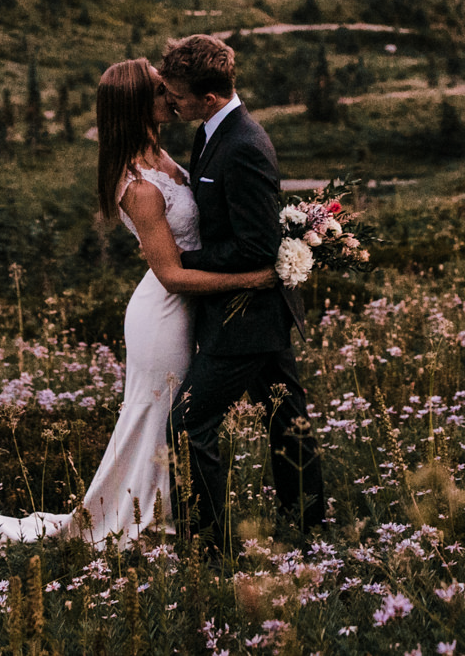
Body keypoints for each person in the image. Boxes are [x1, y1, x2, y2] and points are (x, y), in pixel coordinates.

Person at [0, 58, 275, 552]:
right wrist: (255, 275)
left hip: (185, 304)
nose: (171, 93)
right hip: (166, 310)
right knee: (158, 415)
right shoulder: (140, 187)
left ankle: (164, 517)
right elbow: (170, 275)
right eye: (159, 89)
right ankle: (149, 524)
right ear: (137, 106)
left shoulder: (162, 154)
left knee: (165, 416)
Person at [161, 33, 327, 559]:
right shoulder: (213, 130)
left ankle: (210, 547)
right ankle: (308, 526)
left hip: (247, 316)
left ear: (209, 97)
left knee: (187, 424)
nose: (171, 102)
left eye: (178, 95)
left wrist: (182, 262)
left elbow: (257, 246)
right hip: (254, 313)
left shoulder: (244, 145)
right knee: (288, 421)